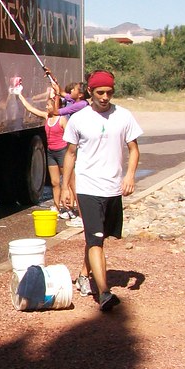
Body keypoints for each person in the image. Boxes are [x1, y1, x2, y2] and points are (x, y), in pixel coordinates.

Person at [60, 70, 143, 312]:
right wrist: (66, 187)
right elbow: (71, 154)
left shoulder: (124, 116)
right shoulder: (79, 119)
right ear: (90, 93)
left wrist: (130, 175)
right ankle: (104, 292)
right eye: (100, 93)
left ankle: (83, 276)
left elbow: (134, 149)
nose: (105, 97)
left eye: (109, 92)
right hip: (87, 187)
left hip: (113, 186)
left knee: (100, 236)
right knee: (95, 239)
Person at [16, 88, 75, 220]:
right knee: (55, 182)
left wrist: (72, 152)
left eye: (48, 105)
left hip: (62, 152)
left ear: (54, 106)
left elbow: (71, 137)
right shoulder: (46, 117)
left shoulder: (62, 119)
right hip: (50, 152)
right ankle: (57, 206)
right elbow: (30, 109)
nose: (46, 107)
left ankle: (69, 207)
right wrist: (20, 96)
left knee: (67, 182)